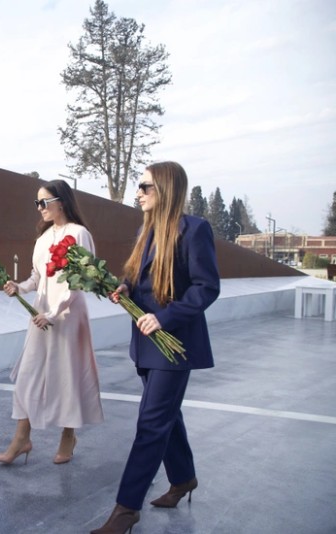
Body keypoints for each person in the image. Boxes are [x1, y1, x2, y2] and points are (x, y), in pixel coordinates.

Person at [91, 161, 220, 534]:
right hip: (146, 343)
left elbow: (205, 288)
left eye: (145, 186)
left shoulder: (194, 230)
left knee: (151, 423)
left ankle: (125, 509)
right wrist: (124, 288)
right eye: (139, 186)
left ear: (165, 188)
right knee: (165, 415)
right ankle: (183, 479)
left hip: (174, 344)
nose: (138, 193)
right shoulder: (145, 231)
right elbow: (136, 276)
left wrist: (165, 317)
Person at [0, 179, 104, 465]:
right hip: (41, 313)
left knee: (67, 375)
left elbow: (80, 281)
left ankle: (68, 436)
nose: (39, 208)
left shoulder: (79, 234)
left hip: (67, 315)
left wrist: (55, 313)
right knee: (28, 375)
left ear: (61, 202)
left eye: (44, 202)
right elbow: (37, 278)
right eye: (37, 203)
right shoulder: (42, 239)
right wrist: (19, 287)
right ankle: (22, 438)